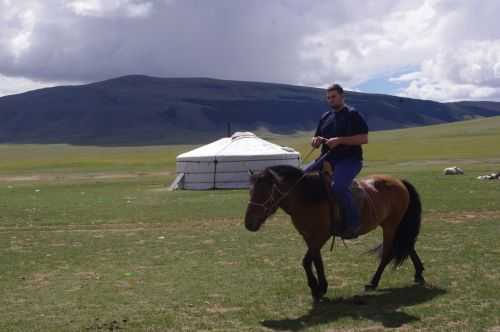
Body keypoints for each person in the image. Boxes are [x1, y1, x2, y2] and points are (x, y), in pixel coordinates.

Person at [309, 83, 369, 239]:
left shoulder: (353, 114)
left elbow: (364, 138)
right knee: (301, 178)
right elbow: (317, 137)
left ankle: (354, 224)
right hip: (326, 158)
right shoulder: (325, 117)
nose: (331, 100)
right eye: (328, 98)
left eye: (334, 97)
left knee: (338, 188)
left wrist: (340, 140)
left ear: (342, 96)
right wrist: (316, 141)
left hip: (350, 160)